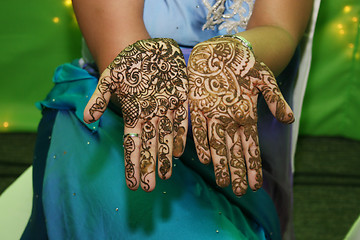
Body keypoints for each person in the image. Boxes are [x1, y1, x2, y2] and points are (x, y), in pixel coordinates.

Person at [21, 0, 313, 239]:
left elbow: (279, 28)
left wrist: (233, 57)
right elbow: (120, 51)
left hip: (233, 128)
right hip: (116, 117)